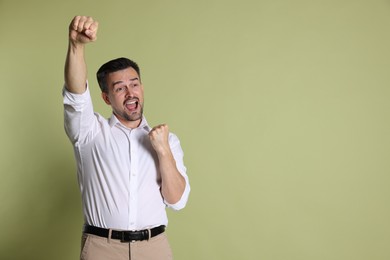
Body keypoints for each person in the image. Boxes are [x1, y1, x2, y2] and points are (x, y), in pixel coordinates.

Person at [63, 15, 190, 260]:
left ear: (142, 88)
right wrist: (76, 46)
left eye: (134, 84)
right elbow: (76, 95)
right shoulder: (89, 132)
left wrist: (162, 150)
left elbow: (177, 201)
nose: (130, 93)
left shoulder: (168, 140)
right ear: (107, 98)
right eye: (120, 88)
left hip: (154, 247)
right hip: (102, 247)